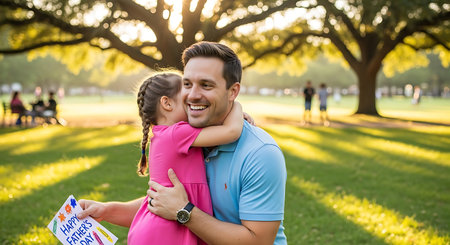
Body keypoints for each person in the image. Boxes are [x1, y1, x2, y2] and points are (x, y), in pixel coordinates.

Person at [78, 42, 287, 244]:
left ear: (232, 91)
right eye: (187, 84)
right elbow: (164, 203)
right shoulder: (190, 136)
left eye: (206, 85)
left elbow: (258, 241)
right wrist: (107, 210)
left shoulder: (260, 154)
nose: (192, 95)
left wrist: (184, 211)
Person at [127, 72, 243, 244]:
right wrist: (235, 106)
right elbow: (231, 132)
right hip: (166, 232)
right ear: (167, 103)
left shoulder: (163, 135)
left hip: (156, 228)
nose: (193, 99)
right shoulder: (177, 133)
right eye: (186, 96)